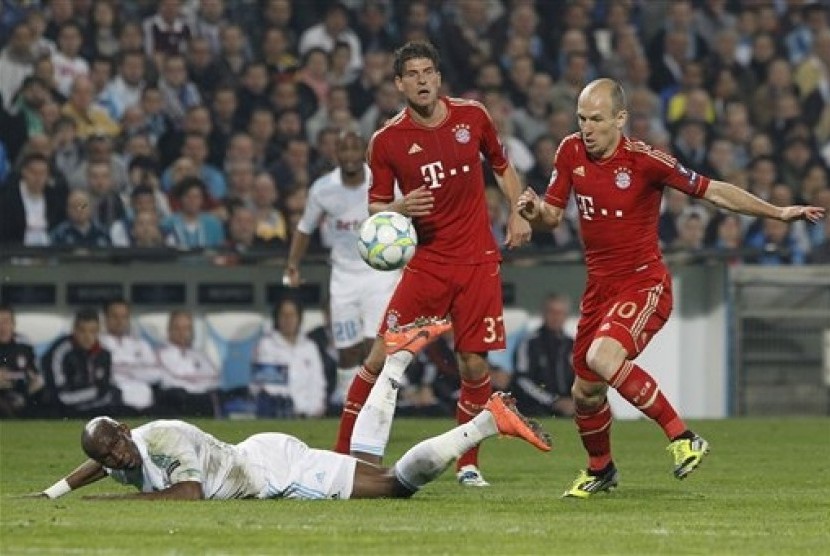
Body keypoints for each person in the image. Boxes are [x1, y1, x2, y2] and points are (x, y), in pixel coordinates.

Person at [516, 78, 826, 498]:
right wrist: (534, 212)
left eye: (597, 119)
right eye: (582, 118)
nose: (587, 128)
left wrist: (777, 212)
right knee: (585, 392)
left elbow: (714, 191)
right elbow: (551, 217)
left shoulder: (646, 160)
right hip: (600, 289)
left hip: (644, 283)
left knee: (602, 357)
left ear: (620, 119)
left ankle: (683, 437)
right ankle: (600, 469)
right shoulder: (570, 150)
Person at [332, 41, 532, 487]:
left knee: (474, 367)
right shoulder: (386, 141)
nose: (422, 81)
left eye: (428, 72)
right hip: (427, 264)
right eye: (412, 75)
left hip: (479, 261)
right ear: (399, 84)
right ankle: (341, 456)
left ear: (438, 78)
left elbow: (502, 166)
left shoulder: (473, 116)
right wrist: (400, 208)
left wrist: (517, 210)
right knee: (381, 355)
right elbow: (376, 207)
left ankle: (467, 464)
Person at [36, 391, 550, 501]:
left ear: (126, 429)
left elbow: (188, 497)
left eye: (115, 448)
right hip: (260, 456)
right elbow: (97, 465)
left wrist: (110, 502)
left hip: (274, 472)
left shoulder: (167, 438)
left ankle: (485, 422)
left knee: (395, 486)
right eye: (107, 457)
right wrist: (54, 493)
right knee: (372, 468)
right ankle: (393, 365)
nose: (116, 460)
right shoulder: (119, 451)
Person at [283, 130, 400, 410]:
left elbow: (409, 216)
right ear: (336, 155)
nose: (349, 156)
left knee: (377, 346)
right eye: (343, 150)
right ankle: (350, 406)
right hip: (343, 276)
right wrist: (292, 265)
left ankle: (377, 408)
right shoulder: (323, 188)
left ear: (363, 153)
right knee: (347, 350)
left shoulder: (384, 181)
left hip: (379, 274)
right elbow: (304, 228)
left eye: (354, 149)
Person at [250, 297, 327, 419]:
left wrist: (313, 410)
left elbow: (317, 383)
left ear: (299, 317)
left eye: (292, 315)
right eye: (284, 315)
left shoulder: (310, 347)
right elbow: (266, 386)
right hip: (277, 414)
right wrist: (290, 408)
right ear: (277, 317)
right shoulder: (265, 345)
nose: (288, 320)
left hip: (308, 416)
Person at [40, 308, 121, 418]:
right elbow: (60, 395)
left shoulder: (104, 354)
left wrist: (98, 393)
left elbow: (107, 388)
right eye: (82, 331)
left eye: (92, 331)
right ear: (74, 330)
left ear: (98, 331)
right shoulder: (60, 351)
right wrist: (96, 392)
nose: (87, 336)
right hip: (63, 409)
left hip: (94, 407)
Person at [511, 294, 576, 418]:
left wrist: (577, 402)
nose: (556, 317)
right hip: (536, 409)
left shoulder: (572, 345)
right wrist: (553, 401)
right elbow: (522, 380)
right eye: (551, 312)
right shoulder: (529, 343)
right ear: (543, 314)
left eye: (560, 313)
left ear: (566, 316)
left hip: (569, 409)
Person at [0, 304, 44, 418]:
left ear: (13, 324)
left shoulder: (24, 345)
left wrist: (33, 380)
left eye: (6, 322)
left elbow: (36, 374)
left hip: (21, 393)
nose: (2, 327)